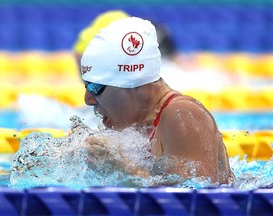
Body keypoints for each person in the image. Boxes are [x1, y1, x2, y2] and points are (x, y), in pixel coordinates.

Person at [79, 16, 234, 185]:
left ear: (133, 84)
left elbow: (196, 200)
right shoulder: (139, 127)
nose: (88, 99)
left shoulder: (182, 114)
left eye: (95, 87)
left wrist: (124, 169)